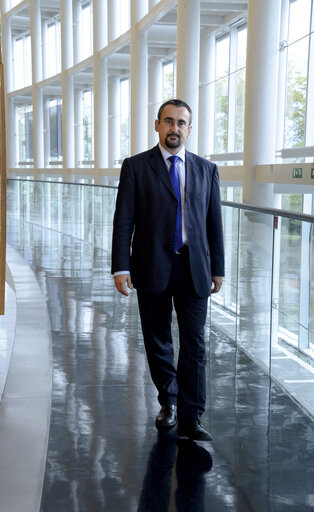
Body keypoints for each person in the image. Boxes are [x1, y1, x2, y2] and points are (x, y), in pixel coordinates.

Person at [111, 99, 224, 441]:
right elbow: (123, 221)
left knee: (195, 343)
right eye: (169, 121)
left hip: (194, 268)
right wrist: (120, 267)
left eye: (181, 123)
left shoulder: (207, 169)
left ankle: (193, 415)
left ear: (189, 129)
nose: (175, 128)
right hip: (152, 267)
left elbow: (214, 223)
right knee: (158, 339)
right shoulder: (135, 167)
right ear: (157, 125)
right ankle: (169, 403)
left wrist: (218, 268)